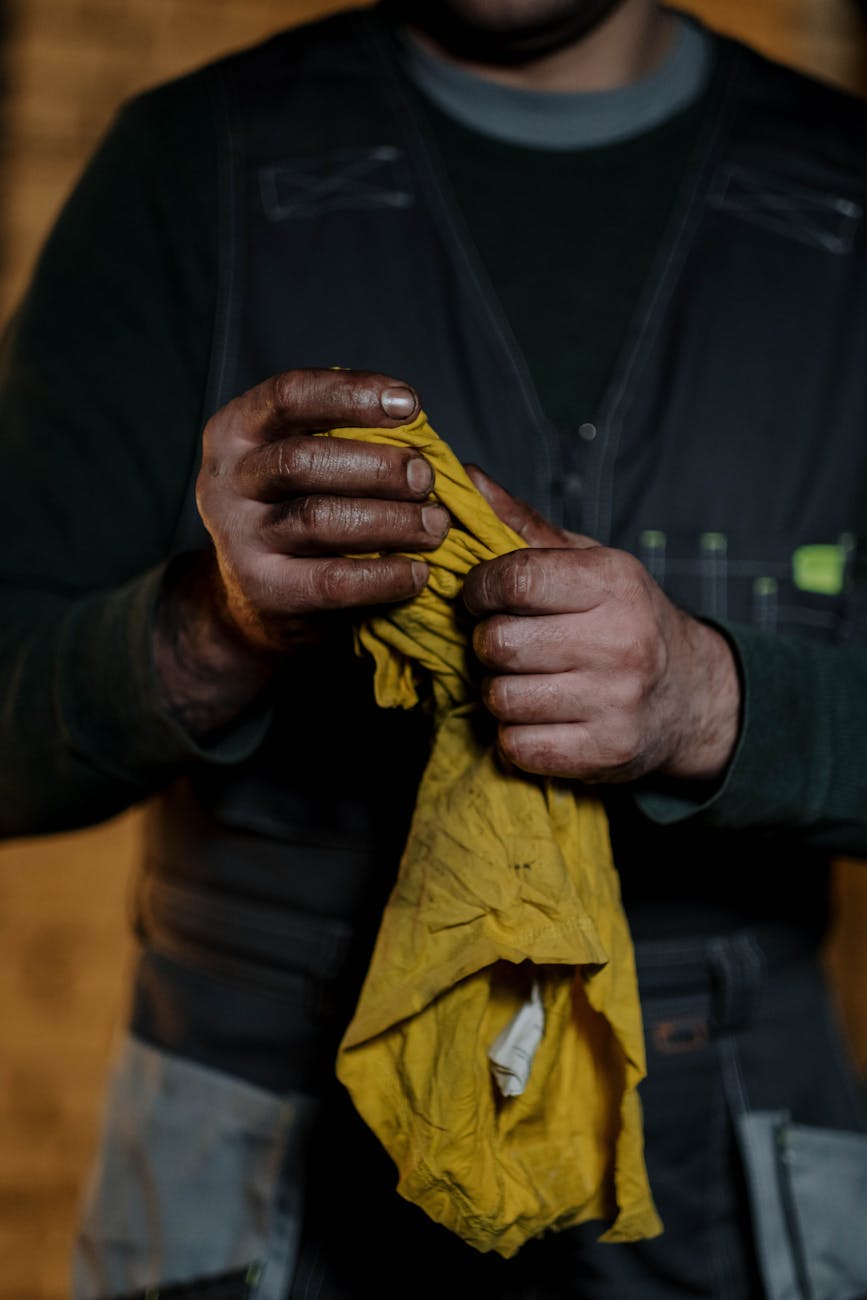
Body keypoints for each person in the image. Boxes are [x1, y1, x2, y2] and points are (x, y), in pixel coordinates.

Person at [1, 0, 867, 1296]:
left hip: (729, 1179)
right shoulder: (190, 165)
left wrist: (716, 703)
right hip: (257, 1148)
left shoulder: (849, 192)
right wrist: (220, 622)